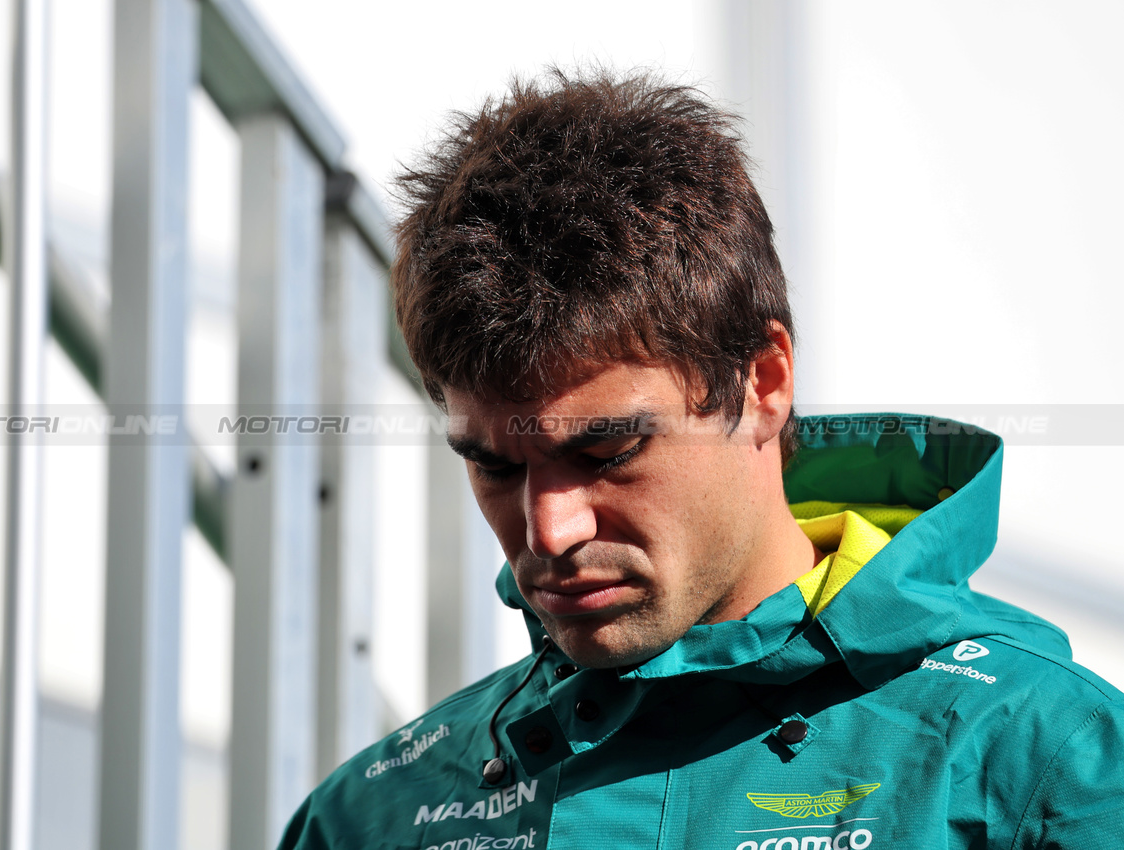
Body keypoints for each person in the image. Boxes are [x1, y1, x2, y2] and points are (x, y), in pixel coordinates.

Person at [278, 70, 1124, 849]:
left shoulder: (1043, 759)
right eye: (495, 467)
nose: (548, 531)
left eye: (606, 451)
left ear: (763, 383)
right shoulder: (372, 816)